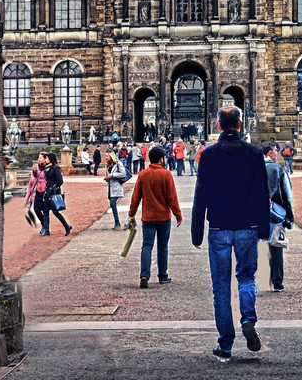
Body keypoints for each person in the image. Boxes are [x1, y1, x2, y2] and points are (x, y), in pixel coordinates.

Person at [189, 107, 270, 362]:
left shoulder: (209, 154)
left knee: (221, 287)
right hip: (247, 226)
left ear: (219, 125)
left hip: (219, 228)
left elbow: (200, 193)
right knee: (246, 278)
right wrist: (264, 228)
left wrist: (196, 233)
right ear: (241, 124)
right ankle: (248, 320)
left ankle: (225, 343)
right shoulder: (254, 153)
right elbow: (261, 193)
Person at [127, 145, 181, 289]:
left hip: (148, 217)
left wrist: (131, 214)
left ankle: (144, 275)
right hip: (163, 216)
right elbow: (172, 198)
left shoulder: (143, 175)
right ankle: (162, 275)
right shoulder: (166, 174)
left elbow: (136, 197)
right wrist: (178, 214)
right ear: (162, 159)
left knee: (147, 246)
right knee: (162, 247)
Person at [264, 143, 295, 291]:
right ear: (270, 152)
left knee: (251, 247)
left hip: (253, 213)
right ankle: (277, 282)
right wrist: (289, 217)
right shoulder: (278, 169)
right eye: (276, 150)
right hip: (273, 214)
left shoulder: (250, 168)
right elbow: (287, 194)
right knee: (276, 247)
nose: (278, 153)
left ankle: (250, 281)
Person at [40, 153, 72, 236]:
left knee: (56, 212)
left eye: (47, 158)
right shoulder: (46, 168)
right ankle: (46, 230)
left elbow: (60, 181)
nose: (46, 160)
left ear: (51, 159)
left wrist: (53, 187)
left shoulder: (55, 168)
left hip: (53, 193)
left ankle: (67, 226)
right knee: (45, 211)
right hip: (47, 192)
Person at [104, 150, 130, 229]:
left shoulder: (118, 163)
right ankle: (118, 222)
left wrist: (112, 175)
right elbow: (107, 175)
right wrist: (107, 178)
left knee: (112, 203)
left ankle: (118, 223)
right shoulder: (108, 165)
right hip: (110, 188)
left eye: (107, 156)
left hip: (116, 187)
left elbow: (123, 174)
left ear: (111, 156)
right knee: (112, 204)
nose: (106, 157)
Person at [24, 160, 48, 233]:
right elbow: (30, 186)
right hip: (35, 194)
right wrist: (26, 199)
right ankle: (43, 225)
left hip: (44, 192)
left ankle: (45, 228)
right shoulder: (35, 173)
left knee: (45, 211)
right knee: (36, 210)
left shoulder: (45, 170)